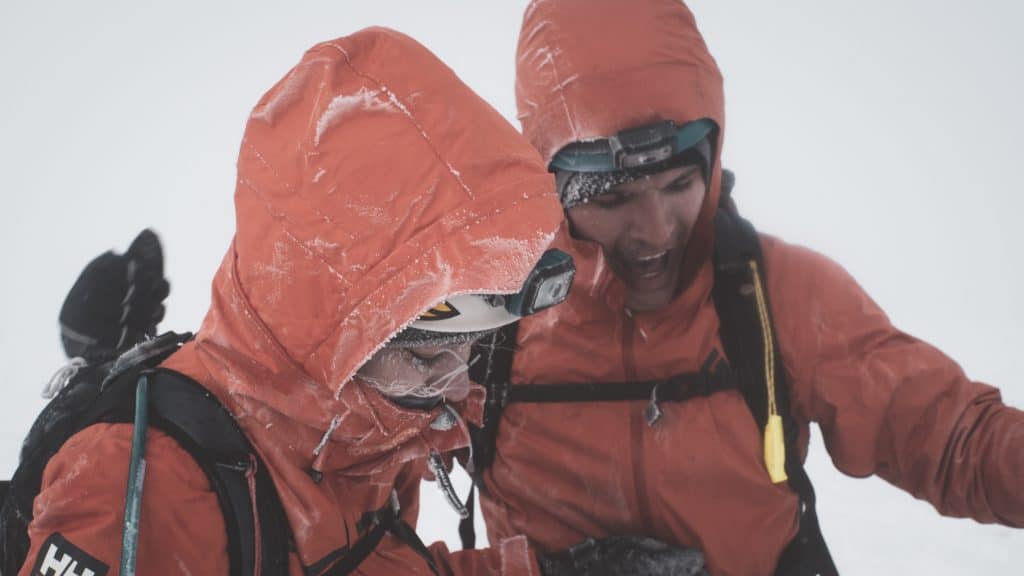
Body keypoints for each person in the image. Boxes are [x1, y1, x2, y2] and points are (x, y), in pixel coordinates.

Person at [468, 1, 1024, 575]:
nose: (656, 232)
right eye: (612, 199)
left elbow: (951, 437)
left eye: (681, 184)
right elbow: (369, 520)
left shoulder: (777, 294)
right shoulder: (483, 321)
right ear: (550, 187)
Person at [16, 27, 580, 575]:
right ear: (328, 336)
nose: (458, 387)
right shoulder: (142, 492)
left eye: (471, 350)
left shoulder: (353, 431)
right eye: (429, 361)